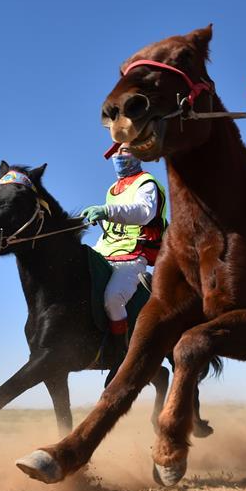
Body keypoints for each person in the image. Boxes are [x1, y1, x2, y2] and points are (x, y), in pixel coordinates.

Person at [81, 149, 167, 354]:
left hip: (133, 254)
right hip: (104, 250)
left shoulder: (147, 182)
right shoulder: (112, 189)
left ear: (138, 154)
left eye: (126, 150)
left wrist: (107, 211)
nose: (120, 155)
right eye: (117, 151)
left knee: (113, 298)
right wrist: (100, 217)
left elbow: (143, 212)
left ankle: (120, 351)